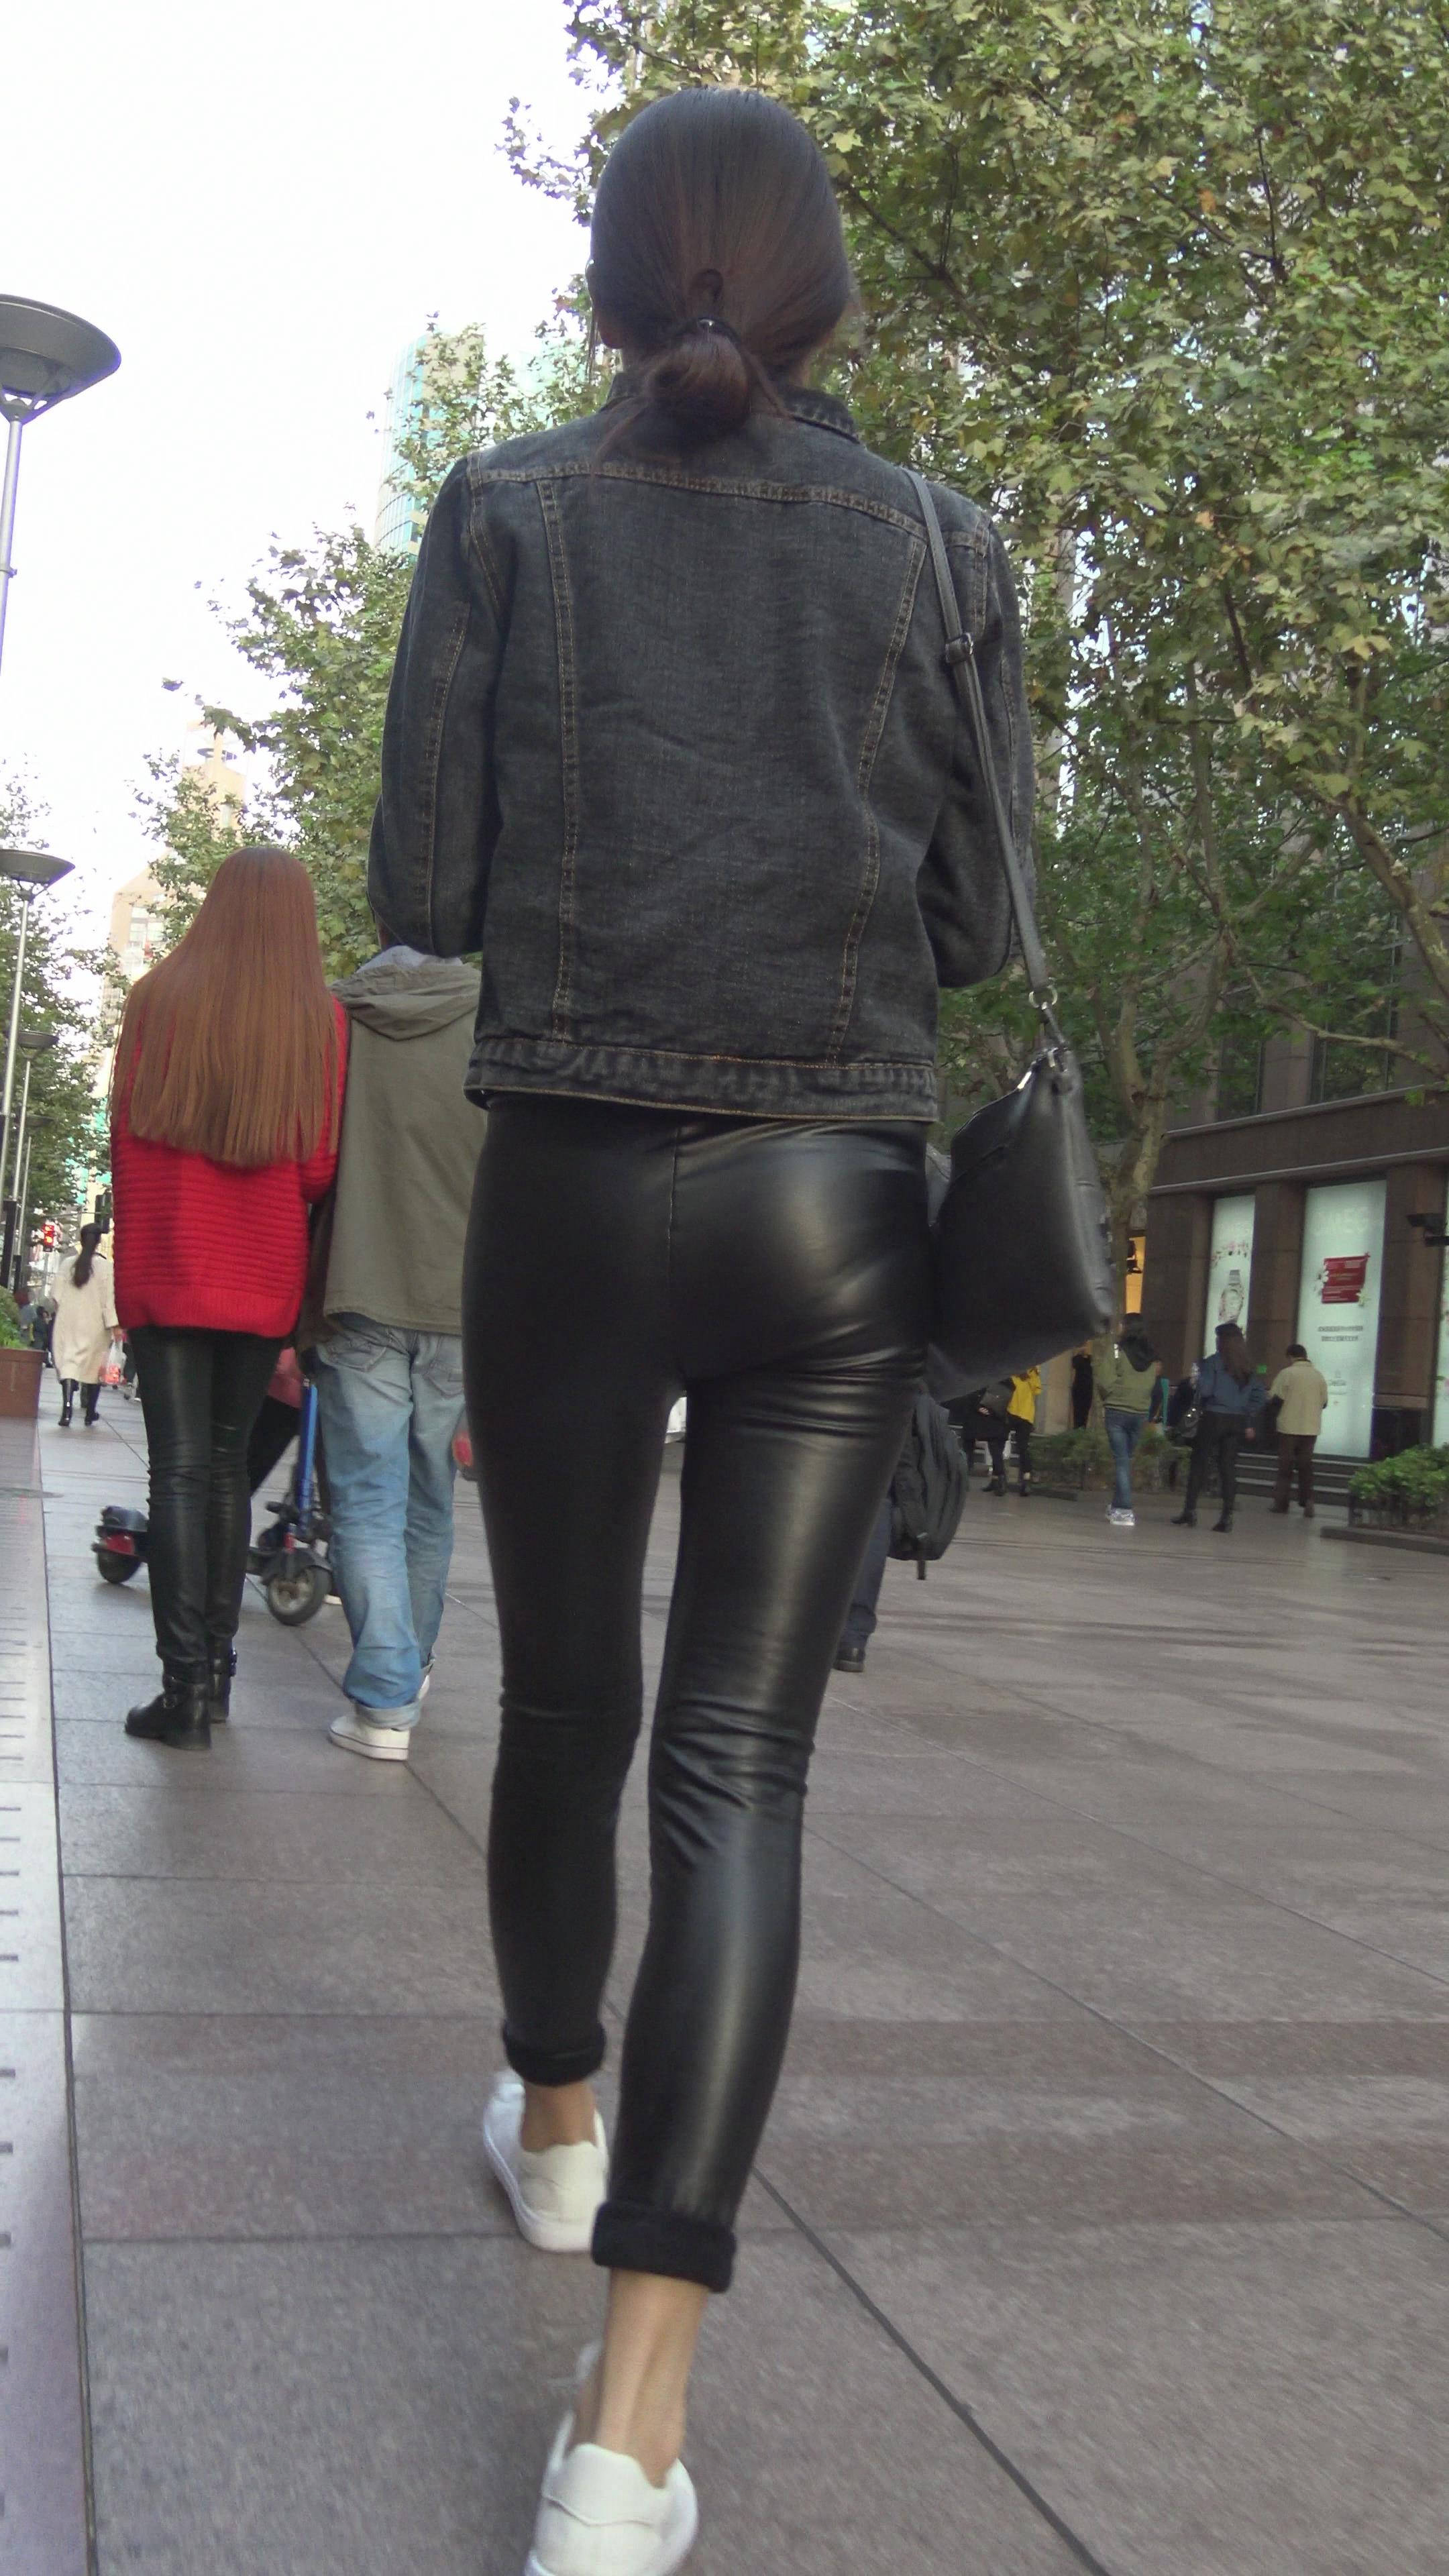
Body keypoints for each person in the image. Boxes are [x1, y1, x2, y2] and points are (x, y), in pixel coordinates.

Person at [369, 84, 1031, 2576]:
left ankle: (555, 2125)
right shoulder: (941, 542)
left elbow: (427, 882)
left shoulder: (502, 509)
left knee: (567, 1707)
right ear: (826, 291)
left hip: (567, 1179)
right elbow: (981, 927)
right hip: (834, 1205)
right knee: (740, 1771)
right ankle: (628, 2438)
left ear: (610, 283)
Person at [109, 847, 345, 1751]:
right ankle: (216, 1680)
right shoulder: (319, 1022)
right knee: (223, 1468)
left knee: (175, 1471)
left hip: (169, 1260)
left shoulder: (154, 1002)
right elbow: (317, 1170)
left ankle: (182, 1691)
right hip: (262, 1271)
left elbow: (126, 1135)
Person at [304, 933, 481, 1760]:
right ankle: (409, 1671)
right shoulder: (495, 1018)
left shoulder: (336, 1017)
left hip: (360, 1288)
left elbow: (311, 1158)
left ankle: (385, 1698)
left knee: (368, 1502)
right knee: (430, 1498)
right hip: (460, 1301)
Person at [1172, 1321, 1266, 1533]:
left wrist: (1196, 1385)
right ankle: (1227, 1516)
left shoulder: (1213, 1362)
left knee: (1199, 1463)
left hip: (1214, 1416)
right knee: (1228, 1467)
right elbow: (1260, 1396)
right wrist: (1247, 1410)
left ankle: (1190, 1511)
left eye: (1217, 1338)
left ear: (1222, 1341)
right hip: (1237, 1419)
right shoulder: (1247, 1366)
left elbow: (1205, 1390)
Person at [50, 1224, 119, 1426]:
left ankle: (67, 1410)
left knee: (69, 1365)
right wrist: (114, 1325)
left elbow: (56, 1296)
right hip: (96, 1325)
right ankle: (90, 1411)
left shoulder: (68, 1265)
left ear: (81, 1240)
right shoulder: (107, 1268)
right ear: (99, 1241)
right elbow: (109, 1301)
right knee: (95, 1367)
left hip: (68, 1322)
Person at [1097, 1325, 1159, 1528]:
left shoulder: (1117, 1350)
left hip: (1117, 1411)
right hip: (1139, 1413)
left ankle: (1124, 1509)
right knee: (1126, 1460)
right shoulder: (1151, 1356)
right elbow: (1152, 1383)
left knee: (1121, 1461)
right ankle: (1117, 1505)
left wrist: (1113, 1396)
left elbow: (1104, 1381)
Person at [1269, 1341, 1329, 1518]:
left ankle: (1281, 1503)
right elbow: (1324, 1403)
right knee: (1306, 1466)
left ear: (1290, 1357)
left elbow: (1276, 1399)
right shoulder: (1318, 1376)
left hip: (1288, 1427)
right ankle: (1308, 1501)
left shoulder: (1287, 1374)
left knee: (1285, 1467)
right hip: (1311, 1429)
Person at [1008, 1366, 1040, 1493]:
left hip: (1025, 1414)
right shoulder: (1012, 1369)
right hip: (1010, 1410)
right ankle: (998, 1475)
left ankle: (1027, 1478)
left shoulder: (1033, 1371)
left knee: (1023, 1447)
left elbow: (1037, 1390)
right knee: (999, 1441)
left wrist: (1030, 1375)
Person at [1070, 1346, 1094, 1430]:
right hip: (1078, 1387)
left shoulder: (1091, 1359)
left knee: (1086, 1409)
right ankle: (1077, 1426)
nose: (1085, 1349)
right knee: (1077, 1408)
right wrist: (1080, 1354)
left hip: (1088, 1387)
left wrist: (1087, 1356)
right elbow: (1075, 1365)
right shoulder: (1077, 1359)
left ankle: (1084, 1426)